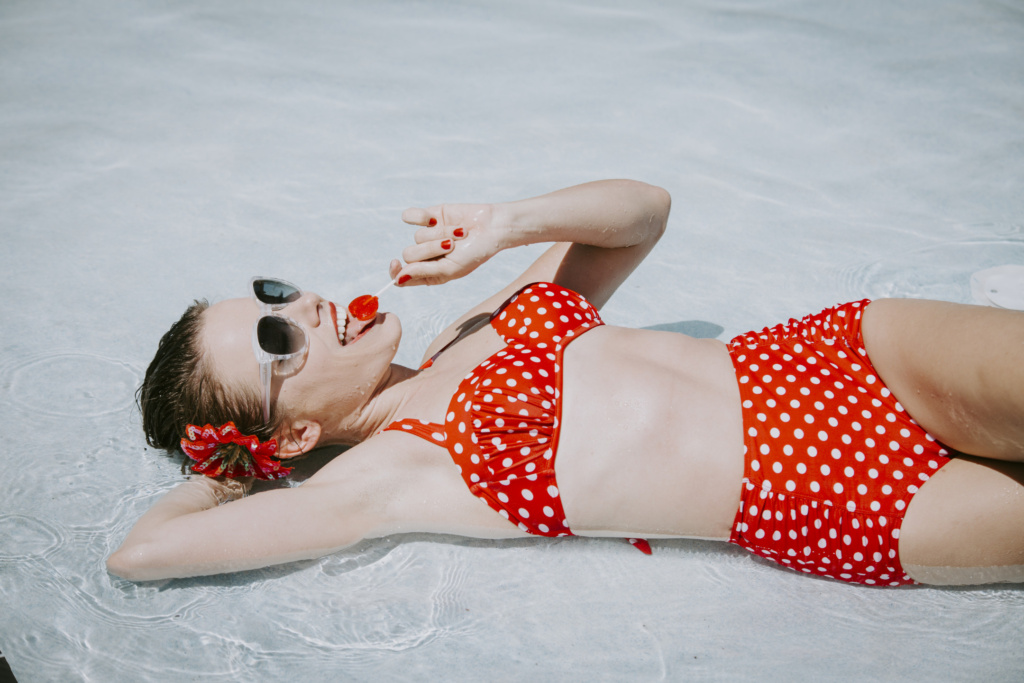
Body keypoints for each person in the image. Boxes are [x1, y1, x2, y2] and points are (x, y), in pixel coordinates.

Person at [107, 180, 1024, 586]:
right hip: (844, 498)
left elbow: (643, 214)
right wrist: (231, 464)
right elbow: (138, 554)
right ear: (295, 434)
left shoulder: (477, 324)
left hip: (837, 355)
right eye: (277, 337)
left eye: (274, 293)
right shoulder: (385, 478)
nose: (303, 303)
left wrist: (510, 223)